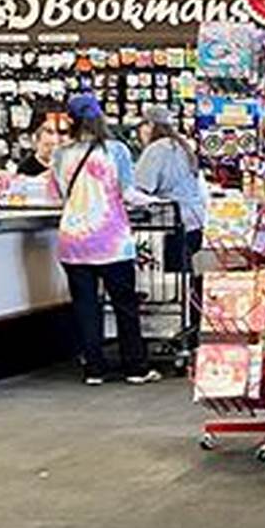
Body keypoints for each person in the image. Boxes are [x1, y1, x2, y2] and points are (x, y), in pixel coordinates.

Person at [50, 94, 160, 386]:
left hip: (73, 241)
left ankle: (94, 369)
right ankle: (135, 367)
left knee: (86, 307)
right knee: (125, 305)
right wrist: (154, 202)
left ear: (71, 120)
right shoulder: (117, 150)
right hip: (112, 241)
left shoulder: (61, 154)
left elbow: (58, 194)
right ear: (101, 117)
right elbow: (128, 193)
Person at [135, 105, 207, 273]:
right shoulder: (182, 146)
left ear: (150, 126)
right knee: (183, 274)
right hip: (194, 222)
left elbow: (142, 187)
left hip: (171, 224)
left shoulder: (156, 149)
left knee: (171, 275)